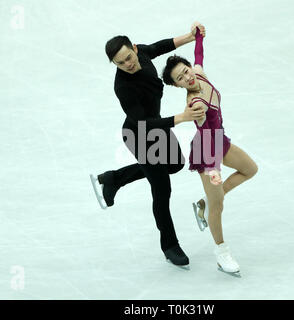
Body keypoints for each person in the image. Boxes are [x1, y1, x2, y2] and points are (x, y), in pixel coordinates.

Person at [91, 23, 206, 268]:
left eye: (129, 58)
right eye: (120, 63)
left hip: (158, 127)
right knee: (162, 188)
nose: (128, 65)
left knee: (175, 164)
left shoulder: (142, 53)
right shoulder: (123, 87)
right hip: (140, 135)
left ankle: (114, 178)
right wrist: (181, 118)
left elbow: (158, 47)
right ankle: (170, 245)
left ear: (134, 49)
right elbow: (143, 122)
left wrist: (188, 37)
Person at [162, 27, 258, 275]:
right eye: (181, 79)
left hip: (220, 141)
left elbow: (199, 53)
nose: (187, 78)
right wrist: (192, 114)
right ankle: (221, 253)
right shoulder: (194, 102)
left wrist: (198, 34)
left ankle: (205, 202)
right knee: (219, 208)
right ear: (176, 85)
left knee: (250, 169)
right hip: (208, 155)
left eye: (186, 71)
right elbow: (195, 112)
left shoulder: (199, 73)